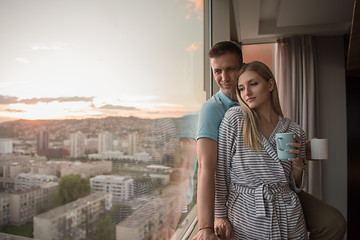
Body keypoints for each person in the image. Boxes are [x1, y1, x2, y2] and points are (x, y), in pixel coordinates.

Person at [192, 41, 346, 240]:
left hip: (284, 200)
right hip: (246, 204)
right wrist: (210, 222)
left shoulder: (291, 127)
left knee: (334, 223)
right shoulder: (222, 112)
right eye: (217, 71)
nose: (224, 78)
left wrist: (299, 160)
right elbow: (208, 168)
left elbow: (293, 181)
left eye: (231, 69)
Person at [215, 61, 308, 239]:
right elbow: (221, 172)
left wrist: (298, 164)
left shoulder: (294, 130)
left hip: (288, 214)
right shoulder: (235, 120)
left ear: (270, 84)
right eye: (241, 88)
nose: (246, 93)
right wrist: (219, 215)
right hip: (246, 216)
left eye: (253, 84)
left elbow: (294, 185)